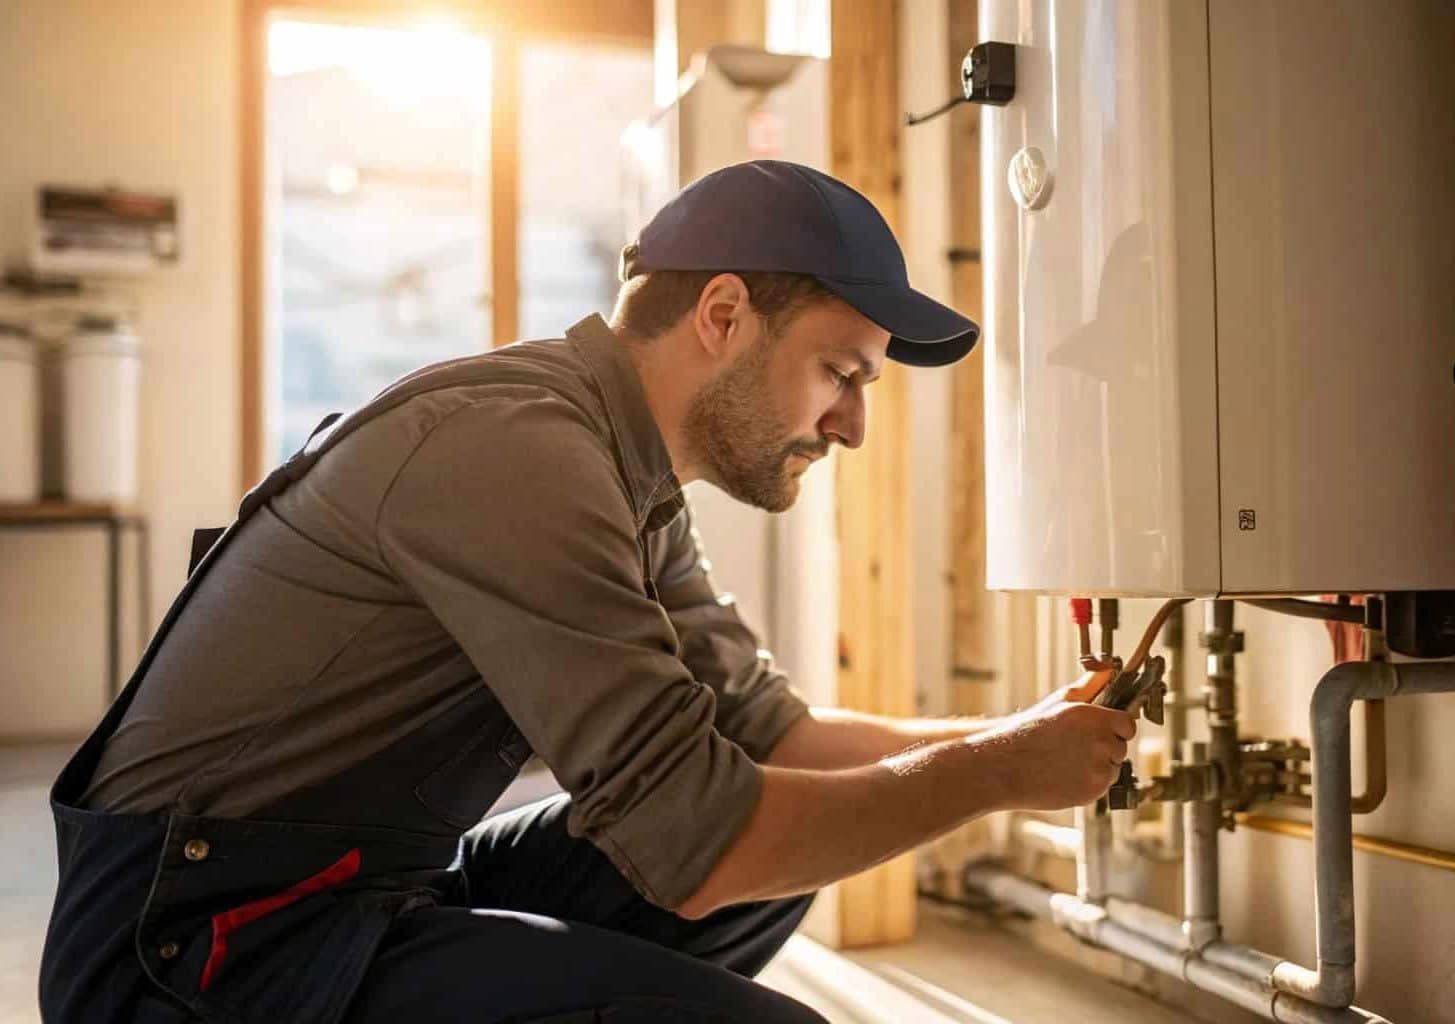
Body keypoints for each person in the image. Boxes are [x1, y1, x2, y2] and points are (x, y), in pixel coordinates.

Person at [39, 160, 1136, 1024]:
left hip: (359, 878)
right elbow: (705, 844)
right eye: (841, 373)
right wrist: (996, 774)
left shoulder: (626, 468)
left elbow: (777, 739)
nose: (851, 421)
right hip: (198, 942)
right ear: (722, 313)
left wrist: (1020, 734)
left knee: (778, 836)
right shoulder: (520, 453)